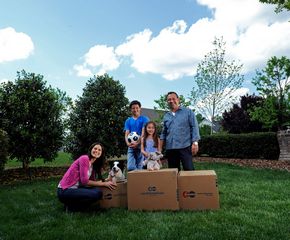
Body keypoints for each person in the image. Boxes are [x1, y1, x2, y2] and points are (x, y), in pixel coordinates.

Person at [57, 142, 116, 212]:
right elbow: (85, 181)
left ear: (101, 154)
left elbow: (93, 183)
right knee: (96, 194)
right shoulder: (84, 159)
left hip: (74, 189)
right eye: (95, 148)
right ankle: (71, 208)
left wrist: (107, 180)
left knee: (98, 191)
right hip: (64, 190)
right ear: (91, 149)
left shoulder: (92, 165)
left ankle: (72, 204)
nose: (97, 151)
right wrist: (103, 184)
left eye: (99, 150)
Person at [160, 91, 200, 171]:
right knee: (173, 173)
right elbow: (163, 133)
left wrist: (195, 143)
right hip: (170, 148)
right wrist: (159, 149)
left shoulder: (188, 112)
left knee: (189, 170)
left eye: (173, 99)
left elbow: (194, 127)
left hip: (185, 146)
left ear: (178, 100)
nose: (171, 101)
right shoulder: (166, 116)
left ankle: (190, 184)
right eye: (169, 100)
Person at [124, 100, 149, 171]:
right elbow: (127, 133)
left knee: (140, 166)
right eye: (133, 108)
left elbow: (144, 133)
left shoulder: (145, 119)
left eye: (137, 108)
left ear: (140, 108)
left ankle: (139, 179)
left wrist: (137, 143)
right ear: (131, 109)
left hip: (141, 145)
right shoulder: (128, 121)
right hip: (131, 146)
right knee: (130, 167)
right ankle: (137, 174)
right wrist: (128, 143)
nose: (135, 110)